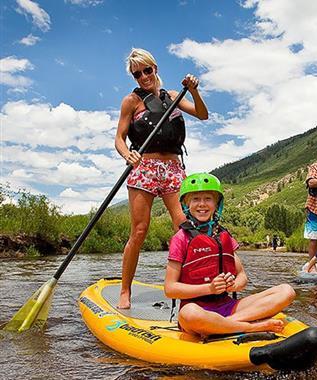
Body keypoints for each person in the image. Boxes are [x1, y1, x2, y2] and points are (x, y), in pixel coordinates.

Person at [115, 48, 208, 309]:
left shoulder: (175, 97)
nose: (143, 77)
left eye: (147, 70)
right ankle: (125, 290)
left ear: (155, 68)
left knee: (184, 226)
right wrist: (127, 155)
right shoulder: (131, 101)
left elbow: (203, 114)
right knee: (140, 230)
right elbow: (119, 139)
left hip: (173, 168)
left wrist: (195, 90)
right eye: (137, 74)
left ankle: (192, 286)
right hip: (144, 167)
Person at [164, 173, 296, 336]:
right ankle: (252, 327)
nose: (202, 204)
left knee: (286, 291)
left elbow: (242, 276)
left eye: (208, 199)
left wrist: (235, 285)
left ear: (216, 204)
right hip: (197, 309)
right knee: (189, 314)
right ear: (186, 204)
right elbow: (170, 289)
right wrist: (209, 288)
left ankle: (226, 324)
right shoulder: (180, 238)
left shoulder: (224, 236)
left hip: (229, 307)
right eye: (195, 199)